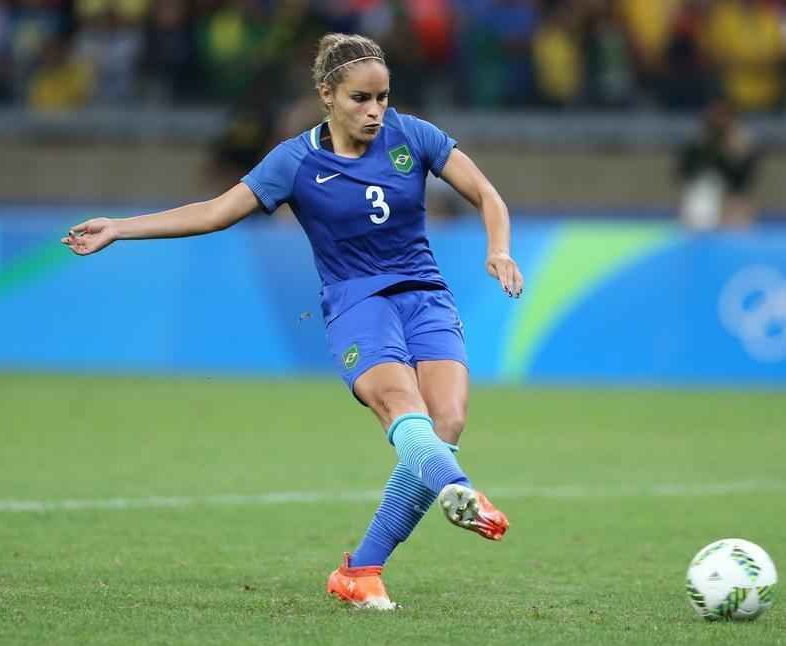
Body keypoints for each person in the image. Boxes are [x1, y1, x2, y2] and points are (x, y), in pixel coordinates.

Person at [62, 33, 524, 610]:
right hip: (358, 303)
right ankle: (457, 488)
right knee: (401, 406)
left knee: (446, 423)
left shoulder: (414, 135)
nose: (375, 111)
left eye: (383, 97)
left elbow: (486, 194)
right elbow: (215, 212)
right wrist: (120, 228)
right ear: (327, 95)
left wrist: (498, 249)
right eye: (361, 98)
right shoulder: (295, 161)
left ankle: (361, 571)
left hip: (425, 295)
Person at [675, 100, 761, 230]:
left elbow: (743, 182)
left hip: (733, 200)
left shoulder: (741, 144)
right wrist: (704, 148)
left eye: (724, 117)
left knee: (738, 211)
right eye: (715, 117)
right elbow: (682, 173)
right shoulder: (697, 146)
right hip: (704, 198)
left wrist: (736, 154)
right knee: (701, 199)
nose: (719, 122)